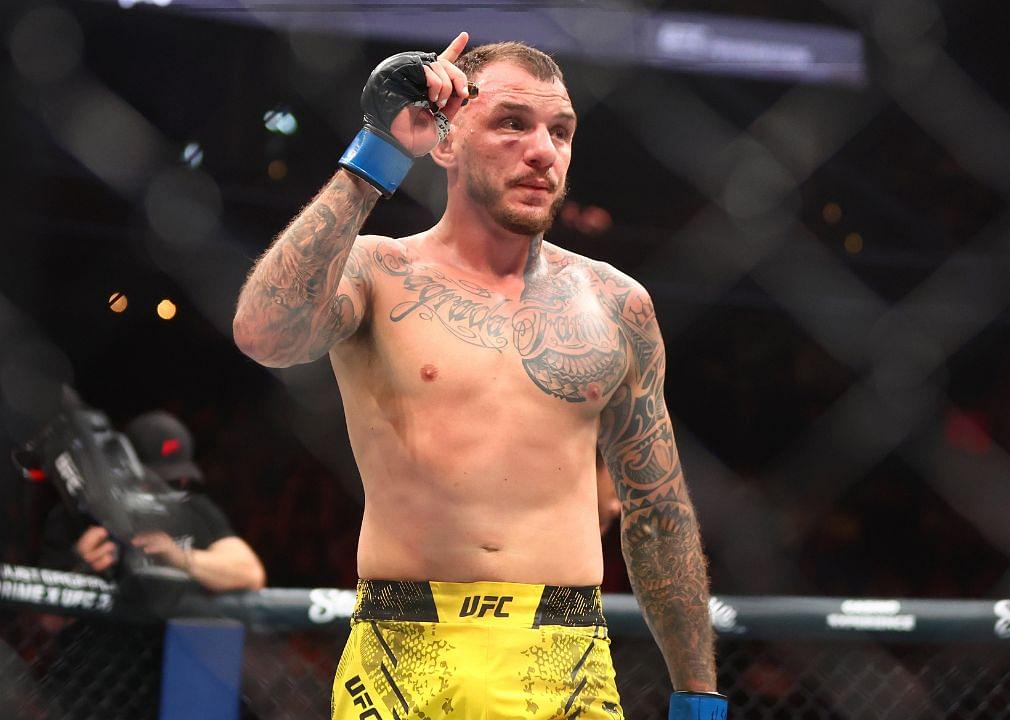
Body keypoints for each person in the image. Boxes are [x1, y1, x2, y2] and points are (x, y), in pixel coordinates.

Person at [233, 33, 725, 720]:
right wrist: (377, 151)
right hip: (403, 655)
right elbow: (264, 332)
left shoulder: (617, 305)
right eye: (511, 123)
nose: (543, 151)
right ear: (445, 143)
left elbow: (659, 512)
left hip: (565, 659)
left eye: (561, 131)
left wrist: (698, 699)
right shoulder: (378, 272)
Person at [42, 409, 266, 592]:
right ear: (127, 471)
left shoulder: (194, 509)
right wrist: (81, 573)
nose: (175, 488)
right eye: (162, 480)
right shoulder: (77, 514)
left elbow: (250, 574)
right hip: (99, 643)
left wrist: (179, 558)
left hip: (176, 643)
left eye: (178, 481)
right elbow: (46, 623)